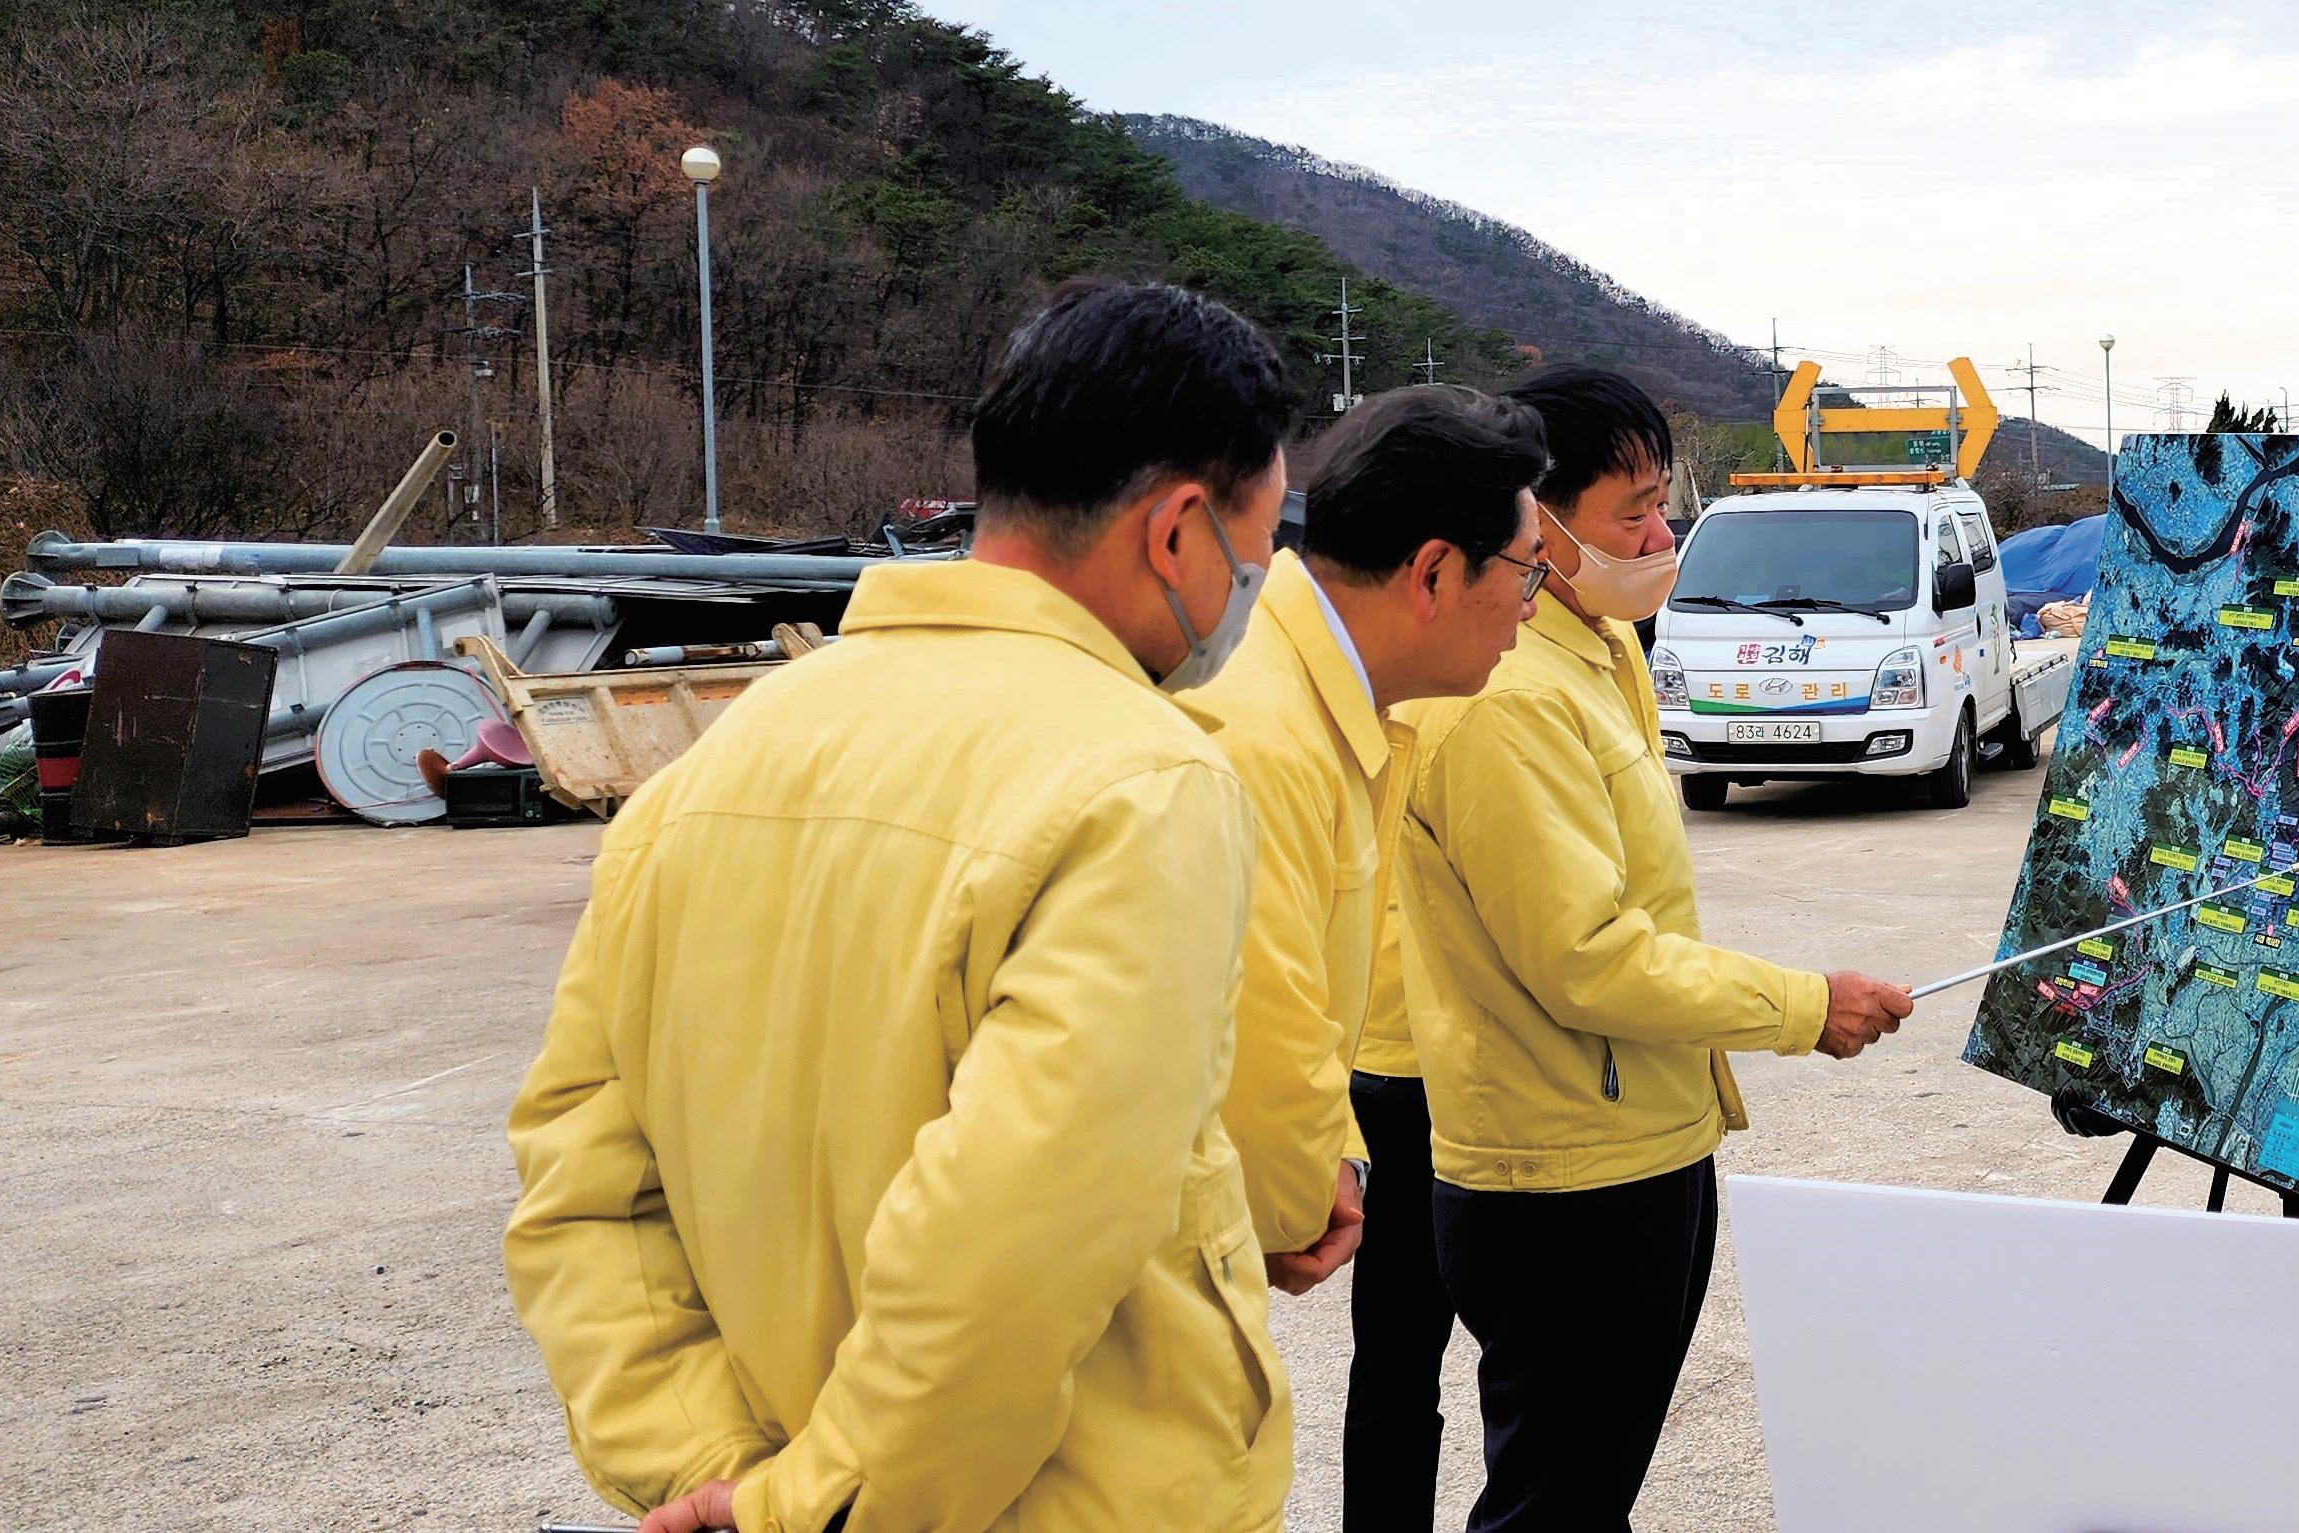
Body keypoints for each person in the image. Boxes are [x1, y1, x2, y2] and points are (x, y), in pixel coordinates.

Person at [502, 279, 1303, 1533]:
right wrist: (819, 1508)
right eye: (1256, 550)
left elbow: (585, 1183)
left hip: (776, 1476)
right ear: (1177, 531)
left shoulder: (707, 767)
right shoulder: (1142, 781)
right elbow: (1013, 1242)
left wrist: (715, 1471)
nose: (1255, 584)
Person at [1391, 364, 1916, 1532]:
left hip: (1645, 1138)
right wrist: (1800, 1006)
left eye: (1658, 500)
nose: (1660, 532)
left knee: (1590, 1487)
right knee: (1554, 1503)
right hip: (1565, 1179)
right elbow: (1586, 956)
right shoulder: (1505, 698)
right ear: (1539, 522)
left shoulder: (1603, 649)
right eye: (1630, 509)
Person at [1191, 384, 1554, 1325]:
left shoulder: (1320, 698)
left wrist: (1333, 1152)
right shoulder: (1268, 737)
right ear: (1434, 573)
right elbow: (1258, 1031)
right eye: (1525, 573)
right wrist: (1303, 1188)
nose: (1529, 608)